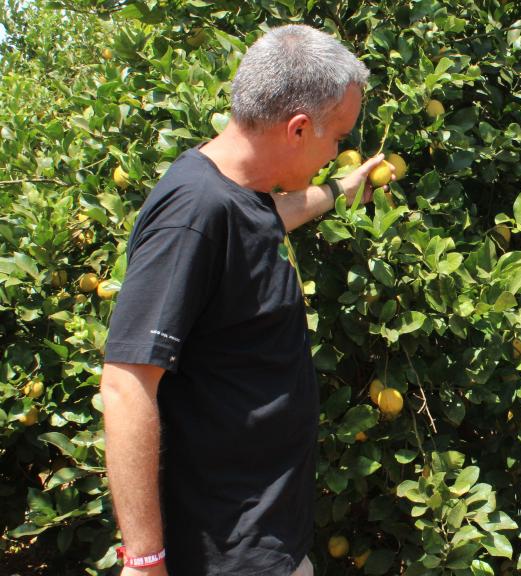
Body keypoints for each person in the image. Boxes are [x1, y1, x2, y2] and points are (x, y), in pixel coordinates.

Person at [100, 25, 385, 576]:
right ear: (298, 129)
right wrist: (145, 560)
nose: (336, 151)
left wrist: (339, 190)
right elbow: (126, 382)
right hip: (226, 550)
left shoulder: (235, 193)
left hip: (265, 530)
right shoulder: (193, 214)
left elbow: (262, 221)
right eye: (337, 137)